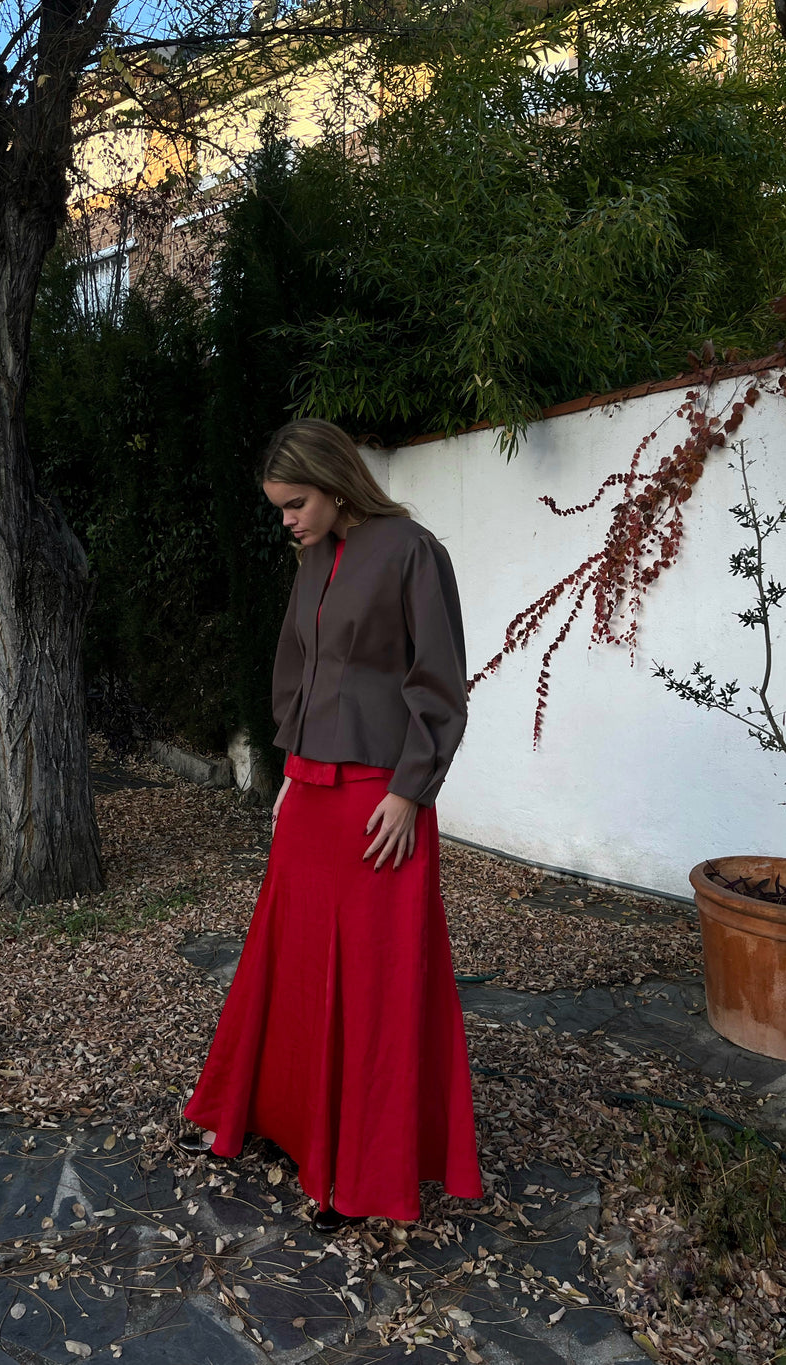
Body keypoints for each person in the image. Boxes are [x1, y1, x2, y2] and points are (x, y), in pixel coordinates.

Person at [180, 418, 482, 1232]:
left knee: (376, 986)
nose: (287, 520)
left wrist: (411, 791)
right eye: (279, 507)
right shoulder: (313, 558)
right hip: (310, 796)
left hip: (380, 804)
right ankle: (279, 1121)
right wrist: (291, 771)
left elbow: (441, 683)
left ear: (337, 484)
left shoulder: (413, 551)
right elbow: (296, 670)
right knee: (292, 966)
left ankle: (361, 1175)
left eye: (296, 503)